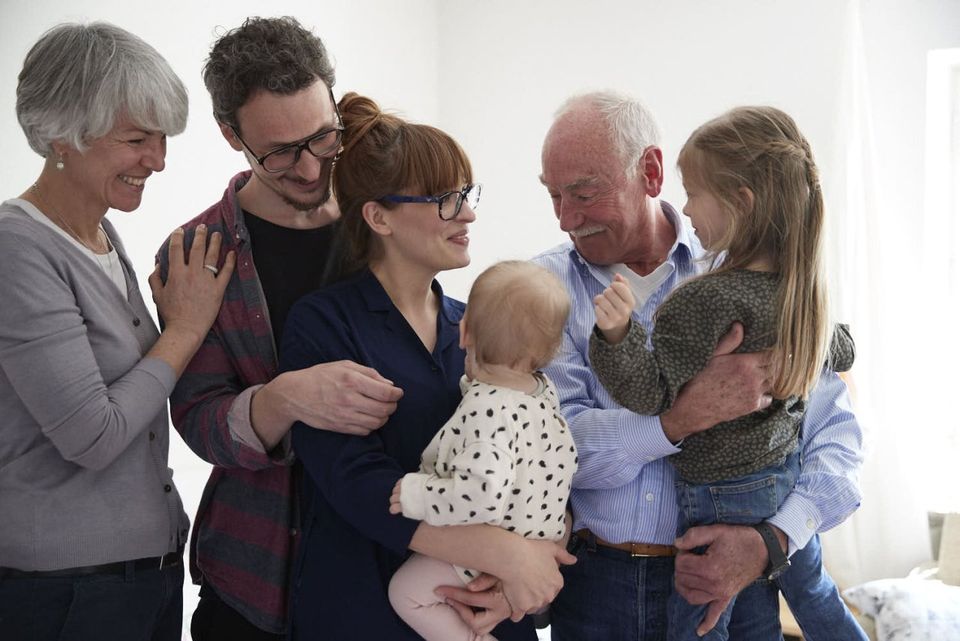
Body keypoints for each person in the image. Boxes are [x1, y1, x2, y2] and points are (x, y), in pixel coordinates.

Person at [532, 91, 864, 641]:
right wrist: (677, 420)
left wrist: (772, 541)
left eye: (584, 193)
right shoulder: (539, 289)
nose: (568, 217)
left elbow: (838, 441)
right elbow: (553, 450)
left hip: (746, 579)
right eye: (553, 196)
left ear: (652, 171)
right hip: (598, 592)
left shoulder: (755, 280)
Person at [281, 93, 574, 641]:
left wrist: (525, 569)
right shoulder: (324, 323)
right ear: (378, 217)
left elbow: (541, 448)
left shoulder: (477, 325)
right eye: (444, 199)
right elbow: (353, 479)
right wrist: (506, 554)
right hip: (367, 606)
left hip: (482, 605)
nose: (467, 213)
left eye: (466, 194)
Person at [154, 17, 402, 641]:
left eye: (323, 137)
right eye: (280, 152)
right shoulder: (195, 253)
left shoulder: (388, 216)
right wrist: (284, 398)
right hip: (254, 578)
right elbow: (199, 421)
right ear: (230, 134)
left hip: (385, 566)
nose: (312, 168)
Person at [0, 22, 233, 641]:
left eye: (160, 140)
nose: (156, 160)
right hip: (65, 591)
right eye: (136, 139)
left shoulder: (102, 236)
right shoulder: (17, 249)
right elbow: (94, 435)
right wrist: (182, 330)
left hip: (138, 576)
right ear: (60, 135)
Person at [387, 260, 578, 641]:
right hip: (539, 537)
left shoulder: (485, 413)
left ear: (464, 331)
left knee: (407, 594)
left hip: (492, 539)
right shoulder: (542, 394)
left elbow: (480, 496)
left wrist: (416, 494)